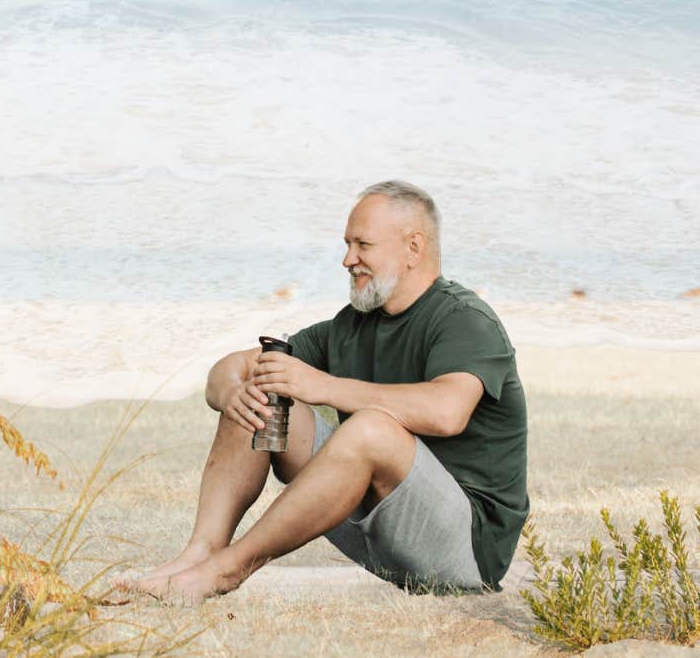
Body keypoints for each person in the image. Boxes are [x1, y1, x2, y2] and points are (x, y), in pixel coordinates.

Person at [118, 180, 528, 604]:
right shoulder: (352, 324)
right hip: (377, 532)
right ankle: (199, 554)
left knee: (371, 429)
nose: (347, 259)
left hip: (463, 550)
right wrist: (229, 393)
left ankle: (226, 570)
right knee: (261, 388)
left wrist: (326, 387)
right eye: (347, 244)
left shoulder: (464, 320)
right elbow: (228, 370)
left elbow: (447, 411)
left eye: (362, 244)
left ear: (414, 248)